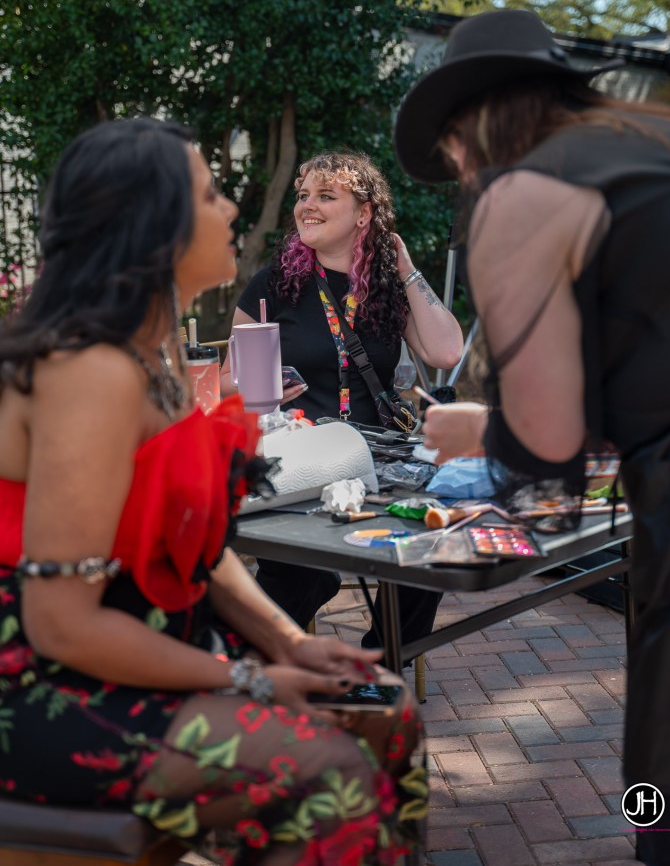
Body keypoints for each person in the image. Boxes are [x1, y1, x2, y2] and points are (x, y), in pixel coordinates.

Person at [0, 119, 427, 866]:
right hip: (49, 682)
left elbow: (194, 546)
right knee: (332, 778)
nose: (231, 208)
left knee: (385, 711)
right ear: (151, 223)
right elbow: (62, 624)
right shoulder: (89, 370)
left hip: (151, 647)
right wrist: (251, 676)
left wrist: (292, 642)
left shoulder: (153, 352)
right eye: (209, 194)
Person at [393, 7, 670, 866]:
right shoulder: (651, 143)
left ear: (470, 130)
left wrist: (478, 429)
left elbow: (549, 455)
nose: (457, 170)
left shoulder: (521, 192)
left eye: (451, 150)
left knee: (663, 799)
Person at [224, 151, 463, 651]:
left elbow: (446, 351)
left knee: (430, 545)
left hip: (380, 458)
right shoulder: (274, 285)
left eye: (325, 196)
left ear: (364, 214)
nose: (307, 206)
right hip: (302, 458)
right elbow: (227, 380)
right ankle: (258, 662)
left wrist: (406, 268)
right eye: (303, 196)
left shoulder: (387, 287)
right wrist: (257, 384)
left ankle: (378, 664)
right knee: (301, 571)